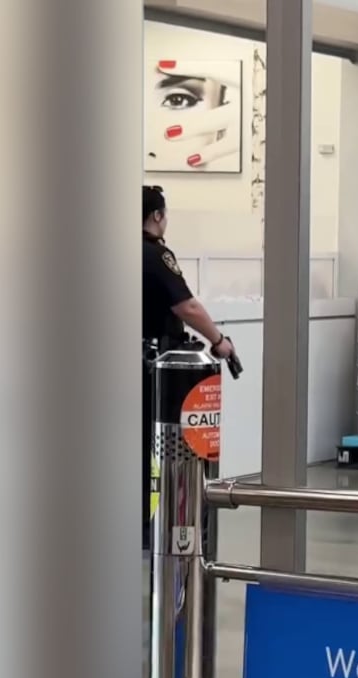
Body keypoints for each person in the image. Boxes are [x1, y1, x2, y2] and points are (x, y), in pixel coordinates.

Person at [142, 185, 233, 539]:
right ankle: (159, 526)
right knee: (158, 447)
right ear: (157, 216)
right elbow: (187, 306)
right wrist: (219, 341)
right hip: (154, 369)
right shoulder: (154, 254)